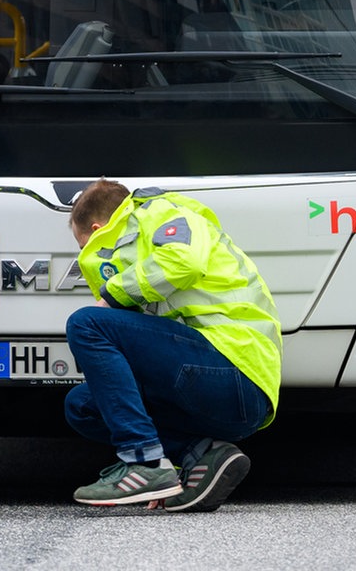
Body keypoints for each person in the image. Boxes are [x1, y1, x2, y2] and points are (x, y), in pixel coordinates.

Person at [62, 179, 281, 511]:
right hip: (211, 382)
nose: (86, 255)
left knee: (85, 322)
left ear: (95, 229)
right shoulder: (141, 239)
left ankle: (145, 463)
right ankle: (201, 455)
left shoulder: (161, 212)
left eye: (84, 246)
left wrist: (112, 295)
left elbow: (184, 262)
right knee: (83, 405)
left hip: (235, 370)